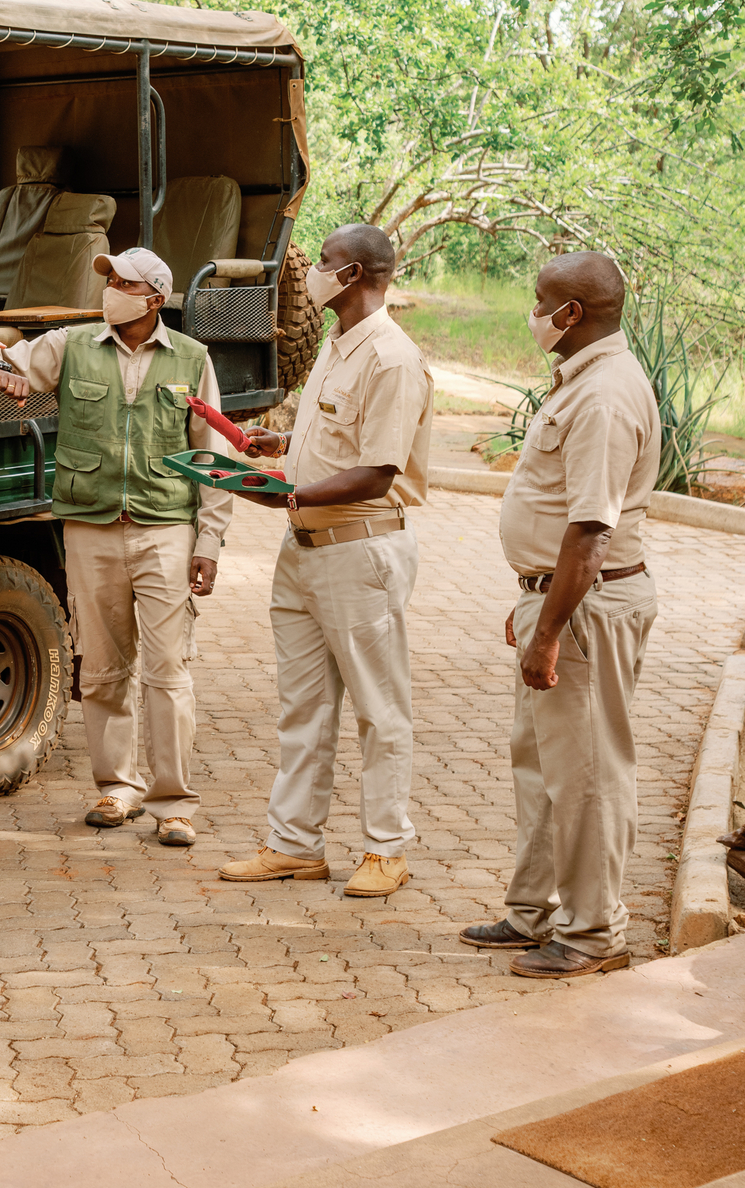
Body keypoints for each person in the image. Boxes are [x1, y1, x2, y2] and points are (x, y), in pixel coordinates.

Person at [0, 247, 232, 848]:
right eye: (109, 279)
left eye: (123, 282)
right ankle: (118, 787)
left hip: (165, 525)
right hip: (90, 525)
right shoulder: (70, 345)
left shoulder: (192, 358)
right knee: (104, 666)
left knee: (168, 669)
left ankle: (175, 802)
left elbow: (215, 457)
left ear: (155, 299)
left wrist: (210, 539)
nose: (111, 288)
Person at [217, 224, 432, 899]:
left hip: (358, 548)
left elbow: (376, 471)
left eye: (329, 263)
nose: (313, 273)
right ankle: (294, 844)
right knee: (303, 708)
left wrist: (290, 491)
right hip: (304, 550)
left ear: (359, 274)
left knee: (378, 707)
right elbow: (339, 438)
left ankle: (386, 849)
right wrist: (283, 442)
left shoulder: (392, 358)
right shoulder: (338, 346)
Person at [461, 251, 660, 978]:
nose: (534, 312)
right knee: (541, 765)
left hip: (585, 606)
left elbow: (590, 530)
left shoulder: (605, 394)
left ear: (571, 314)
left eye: (541, 301)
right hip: (559, 596)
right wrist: (536, 603)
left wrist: (550, 627)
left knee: (587, 773)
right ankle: (533, 911)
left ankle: (594, 934)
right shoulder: (583, 382)